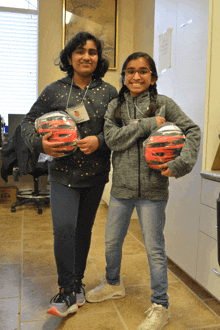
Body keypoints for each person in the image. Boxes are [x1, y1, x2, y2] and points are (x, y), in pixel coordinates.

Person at [86, 52, 201, 330]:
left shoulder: (164, 104)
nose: (136, 76)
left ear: (153, 76)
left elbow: (193, 131)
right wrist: (148, 124)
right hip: (121, 190)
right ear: (124, 76)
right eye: (130, 71)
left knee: (155, 250)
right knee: (112, 242)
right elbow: (112, 139)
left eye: (143, 71)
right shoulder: (115, 106)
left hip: (153, 191)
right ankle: (113, 284)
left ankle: (161, 305)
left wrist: (180, 164)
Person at [21, 31, 118, 317]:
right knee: (64, 229)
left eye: (92, 51)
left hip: (95, 174)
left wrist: (99, 141)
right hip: (62, 173)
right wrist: (41, 143)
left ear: (98, 58)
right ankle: (65, 292)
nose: (86, 56)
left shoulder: (109, 92)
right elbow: (27, 122)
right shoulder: (54, 90)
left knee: (82, 232)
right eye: (79, 51)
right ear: (69, 57)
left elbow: (117, 131)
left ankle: (77, 282)